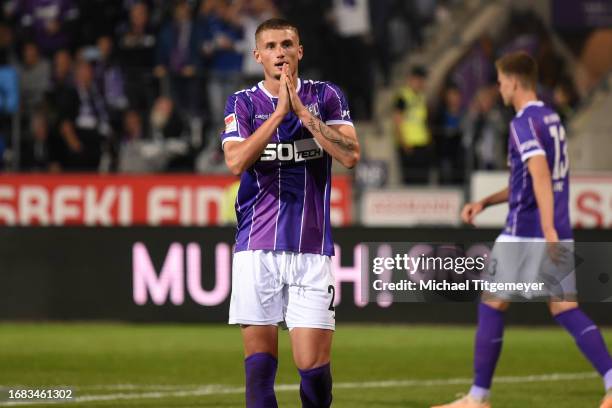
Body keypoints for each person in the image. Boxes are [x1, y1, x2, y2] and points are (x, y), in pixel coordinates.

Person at [432, 52, 612, 408]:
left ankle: (478, 398)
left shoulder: (522, 122)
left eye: (500, 81)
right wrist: (486, 203)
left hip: (527, 229)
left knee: (491, 304)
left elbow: (541, 173)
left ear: (513, 81)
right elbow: (529, 180)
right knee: (565, 309)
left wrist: (546, 230)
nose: (499, 88)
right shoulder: (551, 118)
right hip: (555, 225)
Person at [221, 18, 360, 408]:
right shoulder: (242, 103)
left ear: (300, 51)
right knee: (260, 371)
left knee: (313, 371)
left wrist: (303, 115)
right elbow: (236, 161)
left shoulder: (326, 95)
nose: (280, 52)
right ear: (257, 55)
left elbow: (350, 155)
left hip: (311, 251)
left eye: (287, 44)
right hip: (255, 250)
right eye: (271, 46)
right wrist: (279, 115)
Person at [392, 65, 432, 184]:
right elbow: (397, 121)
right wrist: (403, 142)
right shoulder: (403, 96)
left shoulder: (421, 96)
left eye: (422, 79)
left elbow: (422, 121)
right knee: (411, 179)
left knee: (423, 179)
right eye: (419, 79)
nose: (421, 82)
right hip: (409, 145)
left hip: (422, 143)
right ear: (411, 79)